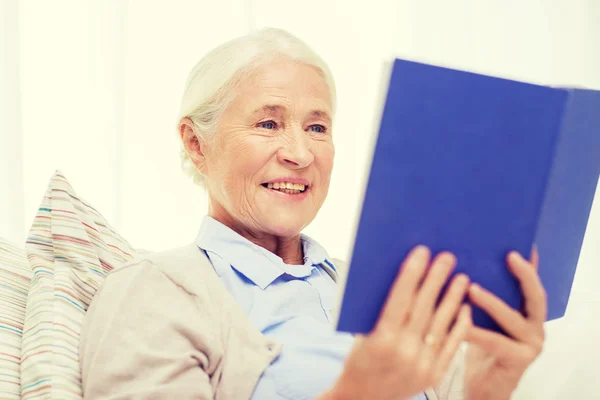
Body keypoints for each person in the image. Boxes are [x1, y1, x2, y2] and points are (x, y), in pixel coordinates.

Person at [79, 28, 547, 400]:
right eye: (268, 123)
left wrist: (489, 390)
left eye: (317, 127)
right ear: (196, 143)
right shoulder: (156, 289)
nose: (301, 153)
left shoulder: (386, 288)